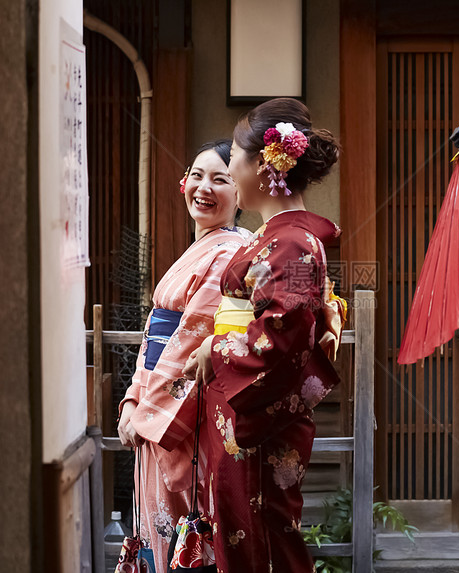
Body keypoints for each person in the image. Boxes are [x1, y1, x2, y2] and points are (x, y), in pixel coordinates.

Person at [183, 98, 343, 572]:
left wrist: (216, 348)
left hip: (256, 420)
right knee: (248, 537)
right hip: (242, 413)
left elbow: (282, 332)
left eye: (233, 156)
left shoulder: (291, 241)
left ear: (263, 165)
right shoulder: (278, 236)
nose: (229, 167)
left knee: (262, 542)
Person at [116, 139, 251, 570]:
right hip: (157, 406)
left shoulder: (230, 251)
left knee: (188, 542)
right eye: (196, 175)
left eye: (220, 179)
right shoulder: (201, 248)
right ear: (183, 183)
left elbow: (192, 342)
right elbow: (155, 336)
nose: (204, 187)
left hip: (185, 423)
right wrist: (133, 400)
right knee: (162, 538)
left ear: (241, 192)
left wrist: (147, 414)